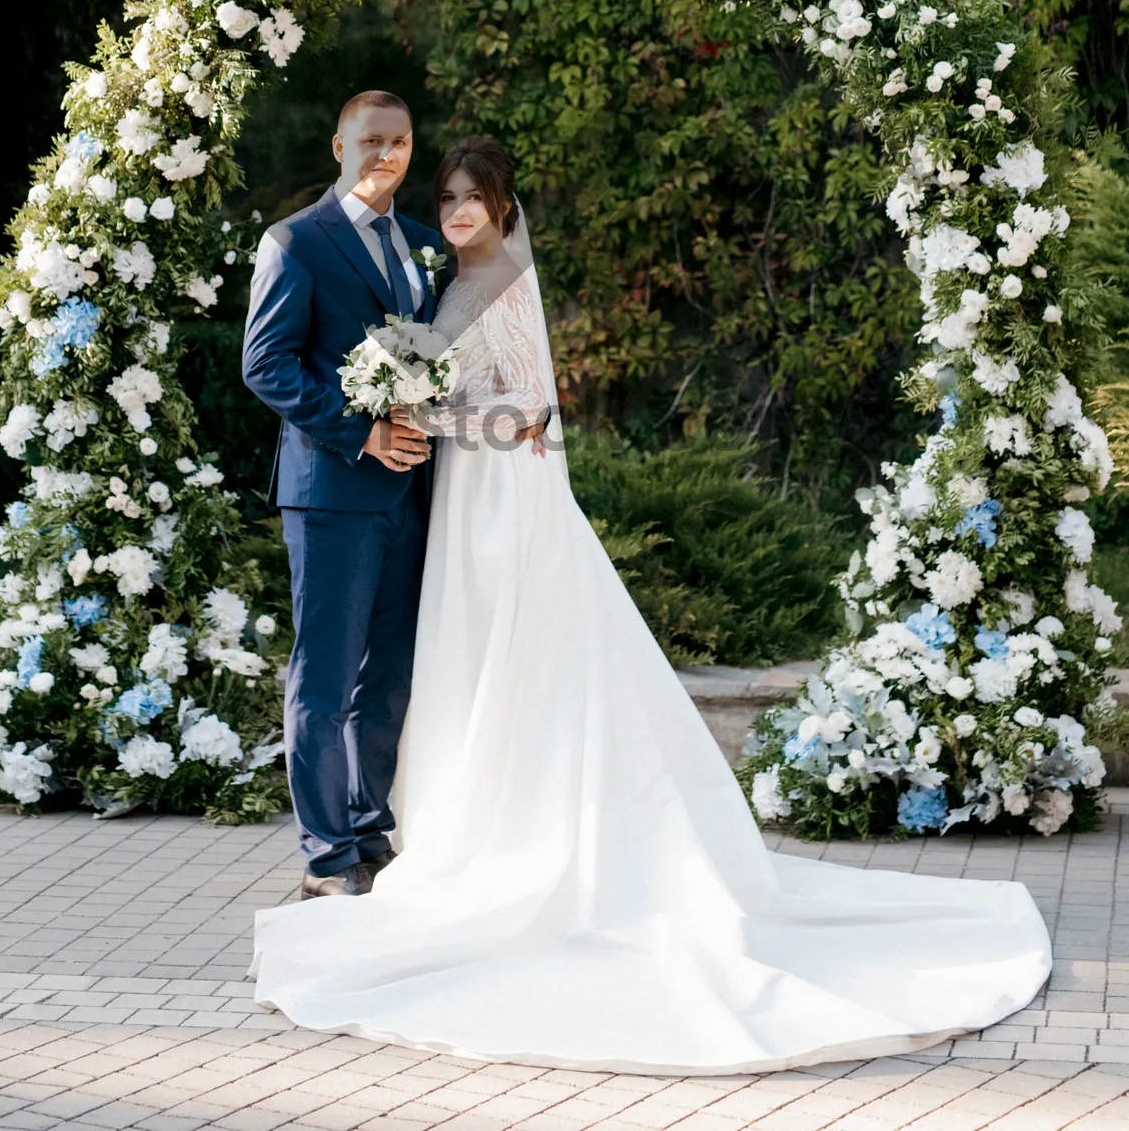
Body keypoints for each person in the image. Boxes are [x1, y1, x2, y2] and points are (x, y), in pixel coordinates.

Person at [251, 135, 1051, 1076]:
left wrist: (429, 415)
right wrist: (397, 405)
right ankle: (429, 829)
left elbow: (533, 417)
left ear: (504, 207)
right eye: (451, 197)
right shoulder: (433, 269)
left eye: (475, 198)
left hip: (501, 501)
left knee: (512, 657)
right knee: (456, 667)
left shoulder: (500, 277)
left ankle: (504, 840)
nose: (460, 212)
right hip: (452, 500)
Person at [241, 90, 441, 899]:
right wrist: (361, 434)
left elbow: (428, 362)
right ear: (339, 145)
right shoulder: (296, 241)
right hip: (330, 493)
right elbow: (267, 365)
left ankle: (367, 830)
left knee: (387, 676)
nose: (384, 154)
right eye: (370, 141)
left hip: (409, 495)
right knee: (324, 678)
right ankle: (326, 858)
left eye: (398, 142)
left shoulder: (425, 248)